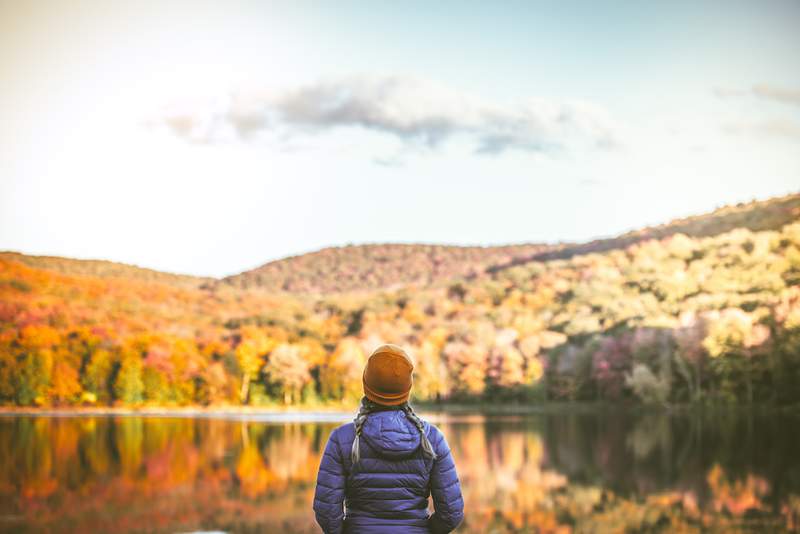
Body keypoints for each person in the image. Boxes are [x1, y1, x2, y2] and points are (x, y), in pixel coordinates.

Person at [313, 344, 465, 533]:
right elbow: (451, 513)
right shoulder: (432, 438)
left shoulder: (342, 438)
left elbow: (326, 511)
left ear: (366, 385)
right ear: (407, 388)